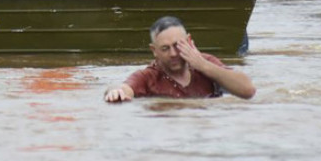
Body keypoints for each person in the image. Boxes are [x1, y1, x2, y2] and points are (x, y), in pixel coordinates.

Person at [104, 15, 256, 102]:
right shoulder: (149, 77)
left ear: (189, 41)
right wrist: (114, 91)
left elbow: (248, 90)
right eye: (165, 48)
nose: (173, 54)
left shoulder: (205, 63)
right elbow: (124, 88)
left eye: (178, 45)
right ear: (154, 51)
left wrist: (204, 66)